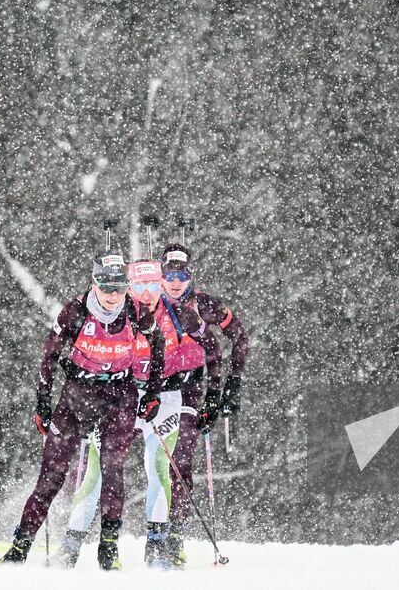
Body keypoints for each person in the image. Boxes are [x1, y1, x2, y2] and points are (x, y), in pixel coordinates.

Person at [1, 251, 166, 569]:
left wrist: (153, 393)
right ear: (94, 282)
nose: (112, 295)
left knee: (112, 468)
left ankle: (108, 549)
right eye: (105, 286)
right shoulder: (75, 311)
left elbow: (157, 344)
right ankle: (19, 548)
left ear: (126, 286)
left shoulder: (136, 312)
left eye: (119, 286)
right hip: (77, 395)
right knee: (52, 476)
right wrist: (42, 403)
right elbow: (49, 356)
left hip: (119, 395)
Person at [56, 258, 222, 570]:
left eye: (151, 285)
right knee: (97, 470)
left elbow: (213, 349)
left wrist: (213, 395)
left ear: (160, 284)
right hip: (121, 397)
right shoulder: (116, 311)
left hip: (164, 399)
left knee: (159, 467)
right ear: (129, 285)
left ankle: (157, 546)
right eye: (138, 285)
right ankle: (72, 544)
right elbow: (84, 350)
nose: (145, 293)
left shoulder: (180, 313)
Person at [157, 242, 249, 567]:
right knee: (152, 465)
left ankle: (174, 536)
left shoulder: (205, 305)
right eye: (170, 274)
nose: (176, 281)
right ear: (161, 274)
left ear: (189, 274)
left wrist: (228, 387)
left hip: (192, 388)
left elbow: (239, 336)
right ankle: (153, 534)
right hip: (153, 388)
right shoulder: (148, 306)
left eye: (181, 274)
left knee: (180, 461)